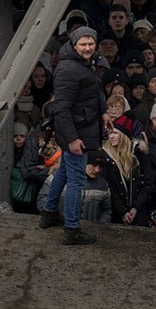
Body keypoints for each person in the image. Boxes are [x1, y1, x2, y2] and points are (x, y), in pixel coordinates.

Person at [37, 26, 106, 246]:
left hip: (81, 127)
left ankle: (48, 213)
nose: (87, 48)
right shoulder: (68, 69)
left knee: (65, 172)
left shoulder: (85, 63)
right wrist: (72, 139)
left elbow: (95, 92)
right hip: (76, 132)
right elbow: (62, 109)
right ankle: (72, 228)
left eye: (91, 43)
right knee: (77, 180)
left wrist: (104, 112)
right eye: (83, 44)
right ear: (74, 45)